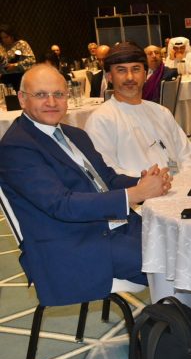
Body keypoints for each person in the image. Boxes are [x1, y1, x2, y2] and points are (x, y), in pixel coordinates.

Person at [0, 64, 172, 306]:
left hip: (112, 227)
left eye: (58, 94)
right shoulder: (17, 147)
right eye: (41, 94)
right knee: (169, 260)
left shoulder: (74, 134)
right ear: (22, 99)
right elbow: (61, 204)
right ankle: (180, 324)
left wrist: (143, 183)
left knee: (181, 243)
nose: (51, 102)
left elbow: (107, 180)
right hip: (73, 245)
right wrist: (134, 194)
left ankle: (182, 320)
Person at [85, 42, 191, 177]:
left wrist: (185, 180)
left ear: (145, 75)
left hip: (180, 185)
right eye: (121, 70)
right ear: (109, 76)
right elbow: (106, 172)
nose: (130, 77)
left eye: (136, 69)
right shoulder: (101, 120)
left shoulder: (161, 112)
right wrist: (148, 182)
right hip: (138, 189)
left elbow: (187, 157)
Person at [0, 24, 36, 91]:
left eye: (6, 37)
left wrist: (15, 65)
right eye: (2, 38)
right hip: (5, 79)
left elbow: (32, 60)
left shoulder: (21, 44)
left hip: (20, 77)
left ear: (12, 35)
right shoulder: (1, 47)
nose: (4, 40)